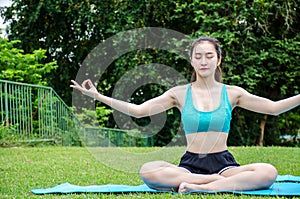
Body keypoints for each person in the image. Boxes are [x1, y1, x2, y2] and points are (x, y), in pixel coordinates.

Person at [70, 36, 300, 193]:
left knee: (269, 172)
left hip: (223, 163)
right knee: (148, 170)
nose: (203, 61)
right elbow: (139, 111)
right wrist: (99, 97)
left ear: (218, 60)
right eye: (197, 56)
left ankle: (205, 187)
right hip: (189, 164)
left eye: (209, 56)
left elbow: (273, 107)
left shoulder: (233, 93)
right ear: (191, 61)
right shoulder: (179, 94)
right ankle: (217, 184)